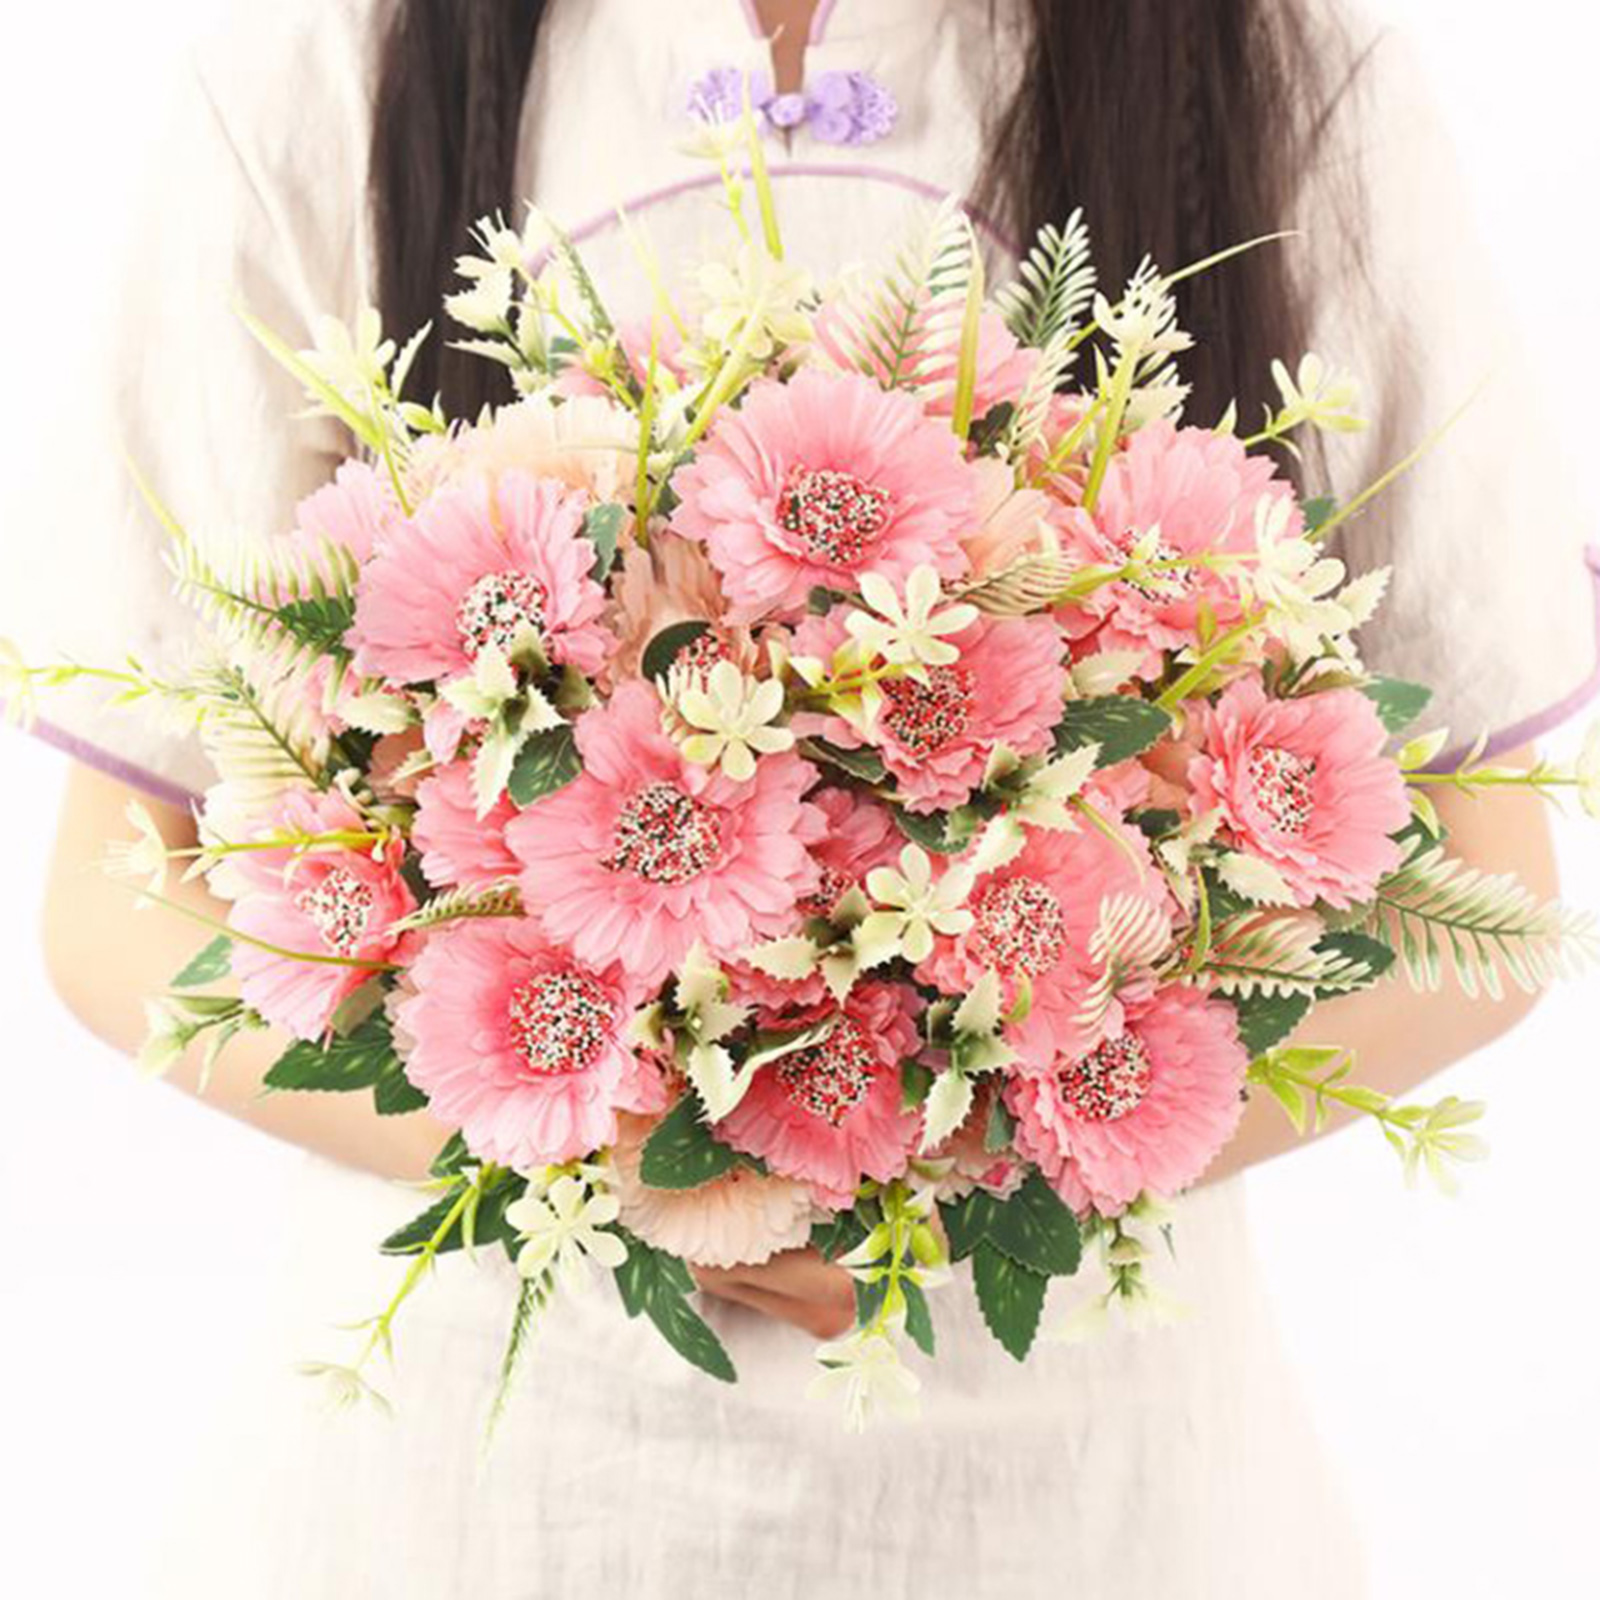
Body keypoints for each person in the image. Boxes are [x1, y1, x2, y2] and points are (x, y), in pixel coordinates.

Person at [7, 0, 1595, 1594]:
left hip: (1079, 1506)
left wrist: (970, 1173)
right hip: (473, 1503)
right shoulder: (334, 58)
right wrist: (607, 1157)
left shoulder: (1270, 57)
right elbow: (112, 905)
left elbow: (1494, 889)